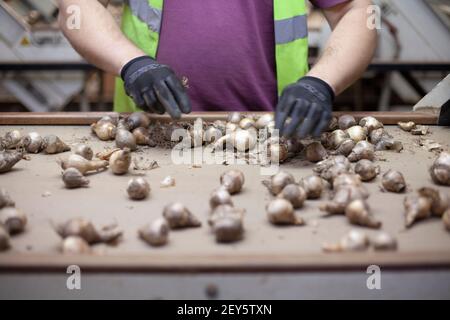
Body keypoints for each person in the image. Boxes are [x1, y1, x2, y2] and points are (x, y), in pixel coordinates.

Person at [58, 0, 376, 137]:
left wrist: (320, 82)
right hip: (149, 134)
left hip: (276, 137)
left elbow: (358, 11)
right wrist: (132, 64)